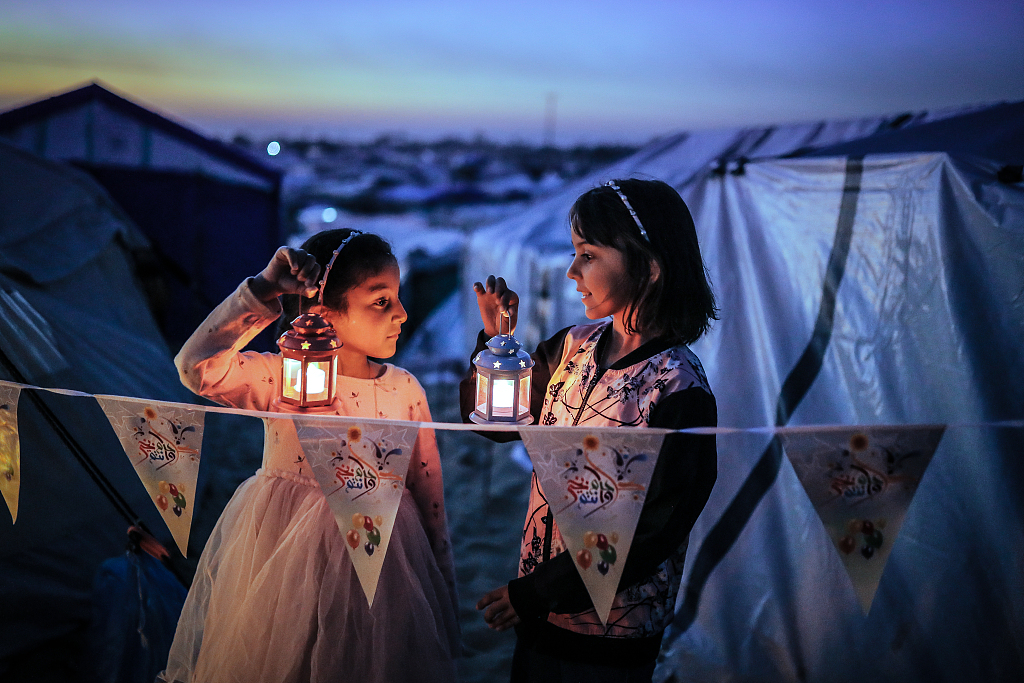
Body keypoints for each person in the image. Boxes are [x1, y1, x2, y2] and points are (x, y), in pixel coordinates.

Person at [159, 228, 459, 683]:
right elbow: (196, 367)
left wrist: (439, 589)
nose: (401, 312)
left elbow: (428, 494)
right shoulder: (284, 378)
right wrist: (264, 287)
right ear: (324, 312)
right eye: (380, 301)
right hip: (285, 565)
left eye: (396, 298)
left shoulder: (404, 389)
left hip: (386, 564)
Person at [461, 179, 719, 682]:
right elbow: (499, 427)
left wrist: (539, 590)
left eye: (588, 254)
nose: (571, 270)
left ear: (648, 266)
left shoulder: (676, 388)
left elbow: (655, 527)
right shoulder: (571, 347)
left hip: (613, 628)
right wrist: (495, 348)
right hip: (538, 608)